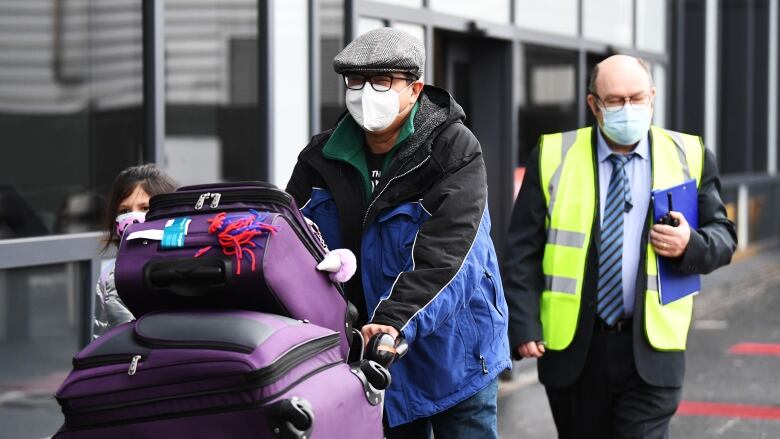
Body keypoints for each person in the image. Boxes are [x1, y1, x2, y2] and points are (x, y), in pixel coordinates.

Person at [286, 28, 510, 438]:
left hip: (453, 355)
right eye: (355, 81)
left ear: (415, 89)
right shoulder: (319, 158)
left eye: (382, 81)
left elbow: (451, 254)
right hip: (370, 360)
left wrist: (393, 321)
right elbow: (289, 242)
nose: (365, 92)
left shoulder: (453, 150)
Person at [503, 54, 737, 438]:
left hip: (651, 347)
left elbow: (724, 237)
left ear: (652, 97)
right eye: (615, 100)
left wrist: (689, 244)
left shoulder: (688, 154)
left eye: (637, 97)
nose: (628, 108)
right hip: (575, 348)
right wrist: (524, 323)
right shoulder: (553, 155)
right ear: (593, 104)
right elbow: (522, 251)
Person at [92, 164, 177, 338]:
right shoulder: (108, 274)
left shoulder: (186, 264)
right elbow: (100, 339)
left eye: (145, 208)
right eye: (124, 211)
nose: (133, 217)